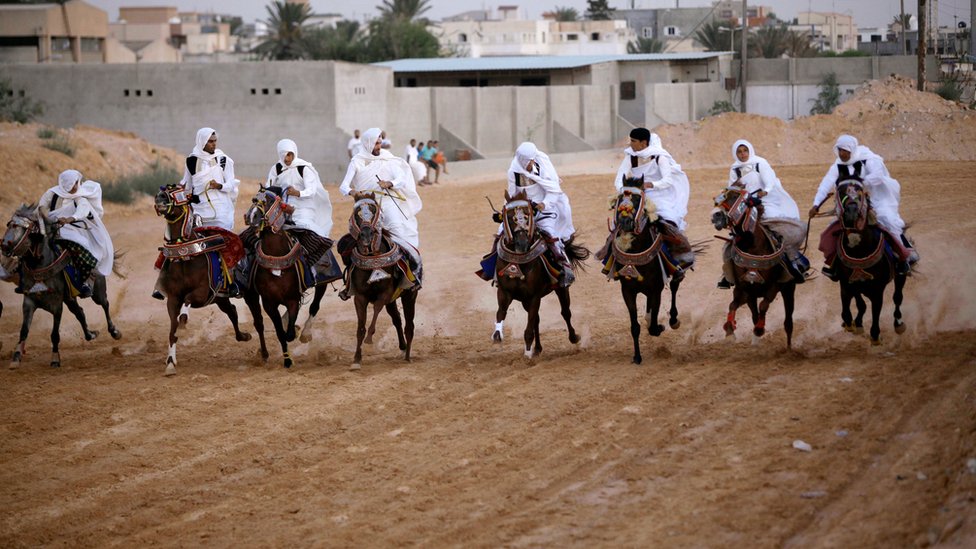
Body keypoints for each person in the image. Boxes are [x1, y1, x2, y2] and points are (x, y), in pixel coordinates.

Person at [811, 135, 919, 279]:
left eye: (845, 151)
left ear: (852, 150)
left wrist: (859, 183)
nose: (842, 154)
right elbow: (825, 184)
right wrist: (816, 204)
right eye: (839, 150)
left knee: (888, 220)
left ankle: (904, 257)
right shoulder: (837, 165)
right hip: (850, 203)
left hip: (876, 199)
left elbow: (878, 175)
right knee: (832, 229)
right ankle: (834, 264)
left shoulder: (868, 159)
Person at [338, 127, 423, 298]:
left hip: (388, 201)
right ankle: (350, 283)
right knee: (353, 239)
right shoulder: (357, 160)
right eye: (376, 143)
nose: (379, 145)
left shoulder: (388, 158)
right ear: (368, 143)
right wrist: (353, 192)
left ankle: (410, 271)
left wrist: (390, 183)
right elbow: (343, 186)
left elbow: (402, 178)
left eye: (380, 142)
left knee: (397, 232)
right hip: (366, 204)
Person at [479, 142, 577, 287]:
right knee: (501, 232)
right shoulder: (513, 171)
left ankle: (564, 267)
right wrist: (504, 214)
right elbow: (513, 194)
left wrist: (542, 205)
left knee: (551, 234)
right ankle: (493, 271)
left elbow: (553, 191)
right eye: (529, 160)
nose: (532, 162)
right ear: (523, 160)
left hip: (545, 209)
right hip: (523, 210)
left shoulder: (543, 163)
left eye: (533, 159)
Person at [717, 139, 809, 289]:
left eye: (744, 150)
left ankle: (793, 261)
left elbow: (770, 182)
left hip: (766, 200)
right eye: (739, 152)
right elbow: (732, 188)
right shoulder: (734, 168)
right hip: (745, 203)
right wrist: (732, 190)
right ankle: (728, 273)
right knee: (734, 233)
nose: (742, 154)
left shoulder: (760, 163)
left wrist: (763, 192)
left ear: (750, 150)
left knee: (776, 227)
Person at [613, 128, 695, 279]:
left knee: (667, 220)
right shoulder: (630, 156)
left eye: (633, 141)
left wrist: (651, 185)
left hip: (659, 195)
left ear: (643, 143)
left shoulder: (660, 157)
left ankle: (680, 256)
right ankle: (611, 260)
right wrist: (624, 190)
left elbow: (667, 180)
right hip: (636, 195)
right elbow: (619, 178)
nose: (630, 143)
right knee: (619, 221)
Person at [262, 139, 339, 282]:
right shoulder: (276, 168)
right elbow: (269, 187)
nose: (287, 159)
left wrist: (298, 193)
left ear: (294, 153)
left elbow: (312, 190)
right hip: (281, 209)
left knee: (307, 231)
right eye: (284, 155)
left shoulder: (303, 168)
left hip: (304, 208)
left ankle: (319, 267)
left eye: (289, 155)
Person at [35, 169, 114, 298]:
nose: (77, 186)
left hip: (70, 229)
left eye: (77, 183)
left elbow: (83, 209)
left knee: (82, 246)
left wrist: (70, 219)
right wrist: (50, 219)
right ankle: (23, 278)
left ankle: (86, 281)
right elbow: (42, 205)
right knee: (30, 244)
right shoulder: (52, 192)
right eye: (74, 183)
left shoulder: (79, 196)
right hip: (49, 227)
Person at [180, 127, 239, 231]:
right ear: (202, 141)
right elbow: (186, 186)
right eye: (210, 141)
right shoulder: (191, 161)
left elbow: (231, 184)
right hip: (199, 212)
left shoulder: (223, 159)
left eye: (215, 141)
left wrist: (219, 186)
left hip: (221, 211)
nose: (214, 144)